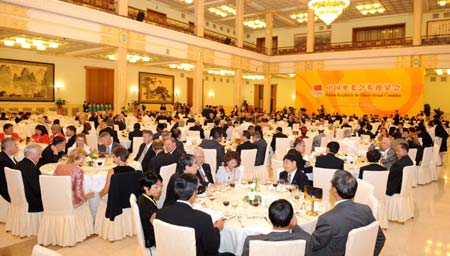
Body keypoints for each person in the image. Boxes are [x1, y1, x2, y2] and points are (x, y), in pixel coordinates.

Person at [312, 170, 385, 256]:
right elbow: (380, 238)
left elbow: (313, 244)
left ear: (334, 190)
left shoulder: (327, 219)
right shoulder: (366, 210)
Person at [156, 173, 224, 256]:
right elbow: (212, 249)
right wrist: (216, 229)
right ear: (194, 193)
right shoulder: (203, 219)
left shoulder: (161, 213)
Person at [242, 199, 312, 256]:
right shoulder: (306, 239)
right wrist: (295, 226)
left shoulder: (251, 241)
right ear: (292, 219)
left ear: (269, 219)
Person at [14, 143, 44, 212]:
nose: (41, 156)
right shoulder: (32, 169)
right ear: (30, 154)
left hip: (19, 199)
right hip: (32, 203)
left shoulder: (18, 165)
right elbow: (38, 190)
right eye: (39, 154)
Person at [137, 171, 163, 248]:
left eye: (161, 186)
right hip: (153, 239)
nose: (159, 189)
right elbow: (155, 224)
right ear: (145, 187)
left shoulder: (143, 197)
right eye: (156, 187)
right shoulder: (146, 204)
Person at [0, 138, 18, 202]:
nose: (17, 146)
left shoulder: (7, 156)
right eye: (15, 145)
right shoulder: (3, 160)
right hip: (7, 189)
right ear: (8, 147)